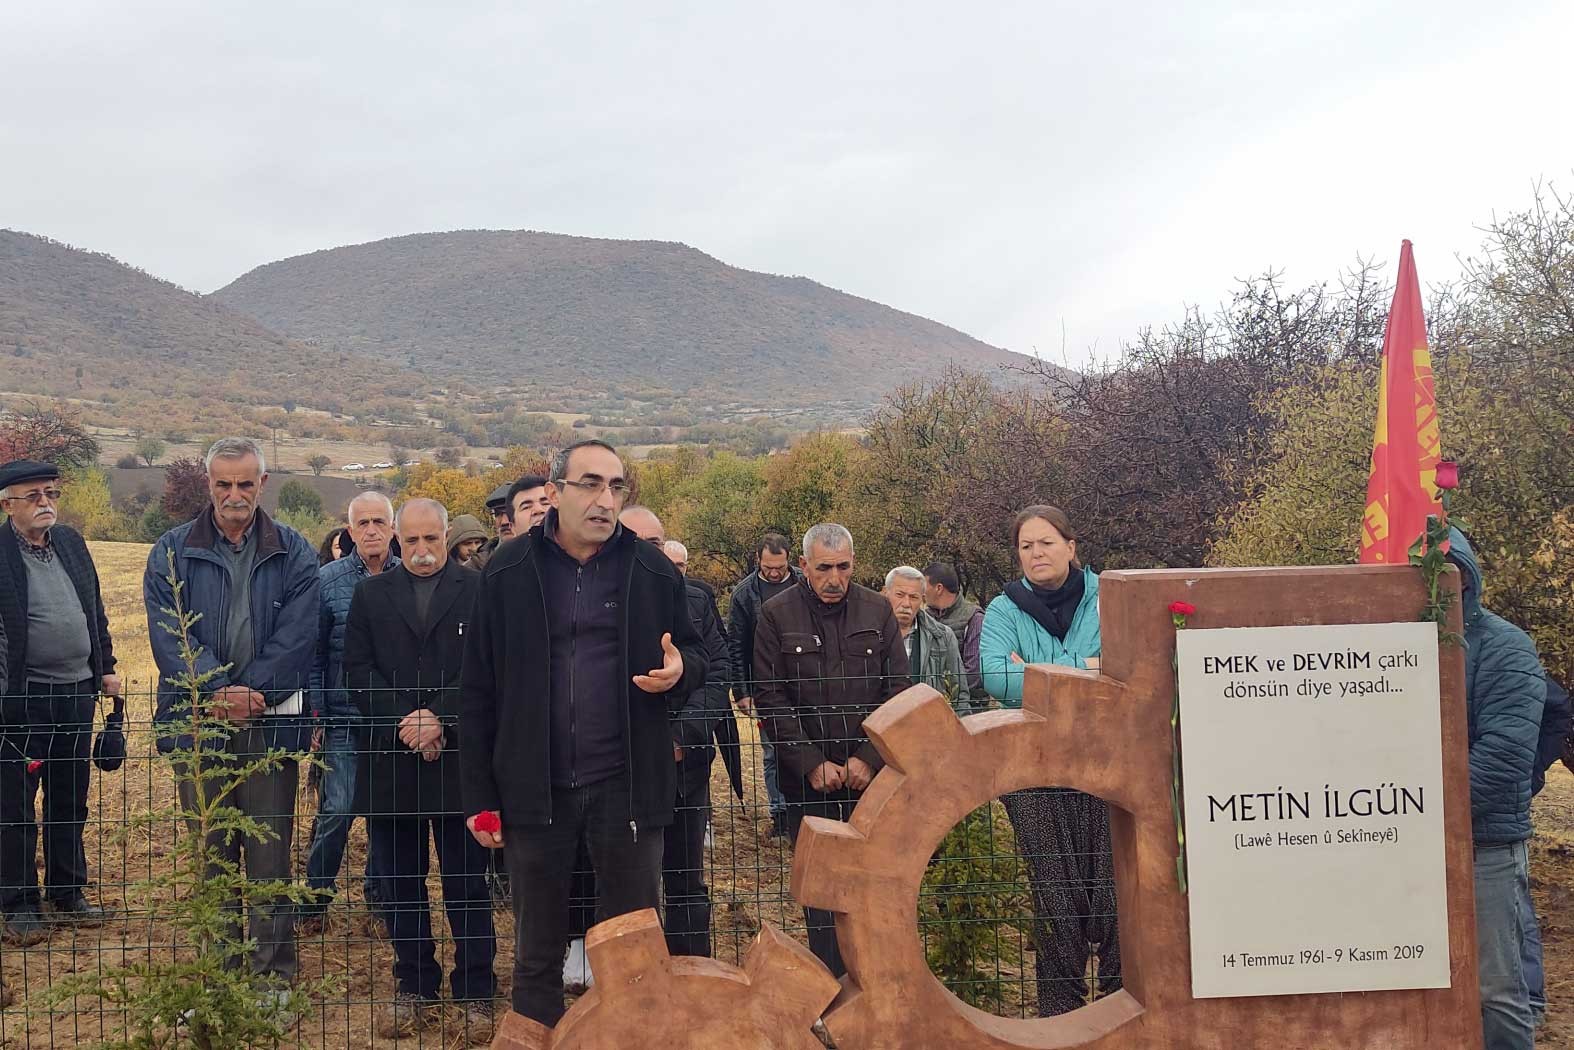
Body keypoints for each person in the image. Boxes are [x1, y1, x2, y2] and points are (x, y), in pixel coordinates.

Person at [458, 439, 705, 1025]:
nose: (605, 500)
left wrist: (680, 671)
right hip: (534, 791)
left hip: (627, 789)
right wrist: (480, 800)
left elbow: (696, 652)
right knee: (538, 952)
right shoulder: (507, 571)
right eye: (590, 484)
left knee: (633, 949)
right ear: (556, 492)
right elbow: (477, 692)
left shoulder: (651, 571)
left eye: (616, 487)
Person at [143, 437, 319, 986]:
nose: (234, 494)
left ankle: (273, 982)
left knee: (269, 859)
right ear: (209, 484)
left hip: (269, 728)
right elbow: (170, 639)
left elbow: (299, 637)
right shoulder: (170, 552)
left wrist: (254, 694)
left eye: (246, 483)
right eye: (224, 484)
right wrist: (218, 691)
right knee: (214, 862)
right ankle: (221, 980)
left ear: (262, 484)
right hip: (199, 727)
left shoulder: (295, 551)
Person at [344, 499, 496, 1042]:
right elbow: (356, 672)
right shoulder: (370, 594)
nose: (422, 550)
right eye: (411, 541)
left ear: (446, 535)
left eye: (431, 539)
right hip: (392, 761)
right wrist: (404, 724)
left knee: (466, 883)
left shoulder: (477, 590)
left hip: (460, 763)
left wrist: (440, 718)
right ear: (396, 540)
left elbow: (488, 666)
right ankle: (414, 985)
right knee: (400, 883)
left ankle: (477, 989)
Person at [979, 505, 1118, 1017]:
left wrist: (1036, 672)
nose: (1036, 553)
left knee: (1114, 893)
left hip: (1109, 766)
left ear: (1071, 546)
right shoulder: (1002, 610)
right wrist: (1089, 668)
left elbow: (1127, 668)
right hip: (1032, 771)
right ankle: (1061, 1018)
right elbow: (996, 679)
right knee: (1056, 899)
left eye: (1046, 542)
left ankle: (1117, 1010)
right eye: (1026, 546)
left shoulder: (1110, 599)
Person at [752, 523, 909, 976]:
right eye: (823, 568)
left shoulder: (877, 610)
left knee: (876, 879)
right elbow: (770, 696)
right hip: (808, 783)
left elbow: (897, 688)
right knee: (821, 888)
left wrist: (870, 756)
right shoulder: (775, 615)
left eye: (842, 567)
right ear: (804, 566)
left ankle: (878, 977)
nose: (834, 578)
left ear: (854, 563)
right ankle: (831, 983)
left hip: (872, 780)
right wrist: (809, 763)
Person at [0, 459, 119, 944]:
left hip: (78, 693)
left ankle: (68, 892)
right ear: (7, 503)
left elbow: (94, 607)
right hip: (23, 700)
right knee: (14, 807)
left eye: (51, 493)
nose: (46, 503)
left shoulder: (71, 543)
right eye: (34, 495)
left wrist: (105, 665)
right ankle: (19, 902)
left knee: (70, 800)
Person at [1446, 528, 1545, 1050]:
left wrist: (1420, 816)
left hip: (1484, 847)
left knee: (1494, 991)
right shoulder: (1388, 645)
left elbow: (1504, 757)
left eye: (1444, 570)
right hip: (1402, 843)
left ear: (1465, 574)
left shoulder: (1505, 648)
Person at [621, 509, 731, 958]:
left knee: (685, 876)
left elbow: (718, 671)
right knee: (627, 882)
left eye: (659, 541)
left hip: (685, 769)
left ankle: (691, 970)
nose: (655, 552)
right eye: (643, 543)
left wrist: (681, 738)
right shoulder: (595, 602)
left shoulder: (696, 602)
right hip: (620, 769)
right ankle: (636, 977)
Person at [300, 492, 399, 934]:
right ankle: (315, 898)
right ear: (350, 529)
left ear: (393, 528)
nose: (373, 530)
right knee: (336, 810)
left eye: (380, 521)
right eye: (364, 523)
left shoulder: (407, 577)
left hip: (391, 721)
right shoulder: (328, 581)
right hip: (341, 716)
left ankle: (378, 899)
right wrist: (316, 713)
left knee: (384, 813)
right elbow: (314, 655)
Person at [728, 533, 801, 840]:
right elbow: (736, 645)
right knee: (773, 752)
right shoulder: (744, 595)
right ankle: (780, 814)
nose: (775, 572)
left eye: (780, 566)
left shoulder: (804, 584)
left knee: (807, 744)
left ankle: (805, 811)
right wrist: (742, 691)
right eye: (769, 567)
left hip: (803, 678)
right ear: (758, 559)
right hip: (765, 683)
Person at [1523, 674, 1570, 1030]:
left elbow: (1557, 708)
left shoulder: (1503, 648)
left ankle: (1531, 1000)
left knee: (1513, 899)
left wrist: (1531, 768)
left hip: (1500, 798)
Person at [884, 565, 971, 713]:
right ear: (886, 594)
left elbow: (959, 694)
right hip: (879, 725)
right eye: (900, 595)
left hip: (928, 726)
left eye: (913, 597)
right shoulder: (867, 635)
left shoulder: (942, 637)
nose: (906, 604)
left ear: (922, 600)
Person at [923, 560, 984, 703]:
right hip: (930, 707)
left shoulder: (974, 618)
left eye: (924, 586)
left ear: (938, 588)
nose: (922, 592)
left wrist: (948, 698)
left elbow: (974, 673)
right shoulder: (925, 618)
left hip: (969, 707)